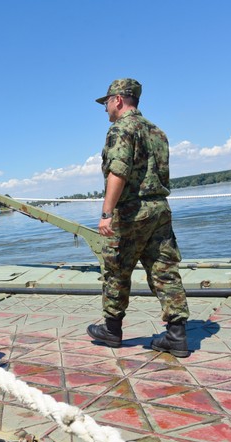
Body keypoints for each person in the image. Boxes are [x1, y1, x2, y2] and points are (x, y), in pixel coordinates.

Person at [86, 78, 190, 358]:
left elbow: (117, 172)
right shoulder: (158, 132)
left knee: (116, 270)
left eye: (106, 102)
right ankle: (177, 335)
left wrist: (106, 214)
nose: (105, 109)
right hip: (159, 209)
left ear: (118, 100)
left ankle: (112, 329)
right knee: (165, 269)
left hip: (131, 212)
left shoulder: (120, 129)